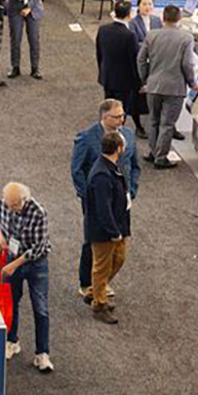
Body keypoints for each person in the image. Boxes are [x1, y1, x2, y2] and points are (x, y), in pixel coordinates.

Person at [71, 100, 140, 305]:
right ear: (104, 117)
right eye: (116, 116)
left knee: (118, 246)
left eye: (122, 115)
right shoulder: (86, 137)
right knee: (93, 240)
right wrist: (88, 197)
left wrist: (132, 189)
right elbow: (77, 170)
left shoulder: (128, 135)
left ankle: (98, 284)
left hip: (121, 197)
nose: (121, 119)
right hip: (96, 198)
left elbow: (134, 165)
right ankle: (86, 283)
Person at [0, 183, 53, 372]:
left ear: (24, 200)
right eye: (9, 205)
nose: (11, 209)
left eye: (15, 206)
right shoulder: (5, 203)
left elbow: (37, 249)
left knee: (40, 307)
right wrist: (0, 235)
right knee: (11, 302)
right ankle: (11, 340)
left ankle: (42, 354)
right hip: (12, 257)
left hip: (35, 263)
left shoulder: (38, 213)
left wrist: (13, 264)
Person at [136, 5, 198, 168]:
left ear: (163, 18)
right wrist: (192, 83)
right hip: (174, 88)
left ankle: (153, 152)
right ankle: (160, 157)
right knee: (167, 123)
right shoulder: (186, 38)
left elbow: (141, 60)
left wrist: (146, 79)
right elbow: (187, 64)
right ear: (179, 19)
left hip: (154, 85)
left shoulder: (151, 35)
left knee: (153, 120)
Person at [84, 131, 130, 324]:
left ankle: (95, 291)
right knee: (102, 267)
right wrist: (113, 232)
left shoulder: (110, 167)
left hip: (117, 226)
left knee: (118, 259)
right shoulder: (102, 175)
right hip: (105, 231)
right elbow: (103, 208)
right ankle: (99, 304)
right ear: (119, 148)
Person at [96, 0, 147, 136]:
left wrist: (102, 73)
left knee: (107, 108)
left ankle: (105, 132)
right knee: (119, 113)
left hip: (107, 77)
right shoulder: (129, 36)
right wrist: (139, 83)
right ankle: (115, 137)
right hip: (124, 82)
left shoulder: (103, 30)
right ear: (129, 15)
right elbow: (134, 61)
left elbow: (99, 54)